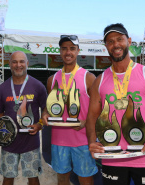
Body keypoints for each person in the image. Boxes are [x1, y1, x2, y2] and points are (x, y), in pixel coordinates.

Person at [86, 23, 145, 185]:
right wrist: (92, 141)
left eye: (119, 39)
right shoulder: (99, 81)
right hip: (111, 157)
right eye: (110, 41)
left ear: (129, 41)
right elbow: (92, 115)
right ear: (106, 46)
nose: (115, 44)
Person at [42, 35, 98, 185]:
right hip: (59, 140)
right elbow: (50, 107)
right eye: (64, 48)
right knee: (62, 179)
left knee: (85, 180)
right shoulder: (52, 79)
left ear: (78, 51)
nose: (68, 52)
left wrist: (85, 121)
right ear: (59, 51)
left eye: (72, 48)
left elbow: (98, 109)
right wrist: (45, 114)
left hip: (83, 140)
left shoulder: (89, 77)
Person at [0, 51, 47, 185]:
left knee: (33, 178)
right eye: (14, 62)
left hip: (31, 142)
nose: (18, 65)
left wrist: (40, 124)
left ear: (27, 64)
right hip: (8, 141)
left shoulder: (38, 86)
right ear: (10, 64)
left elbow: (46, 109)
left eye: (21, 62)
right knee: (7, 178)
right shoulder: (2, 89)